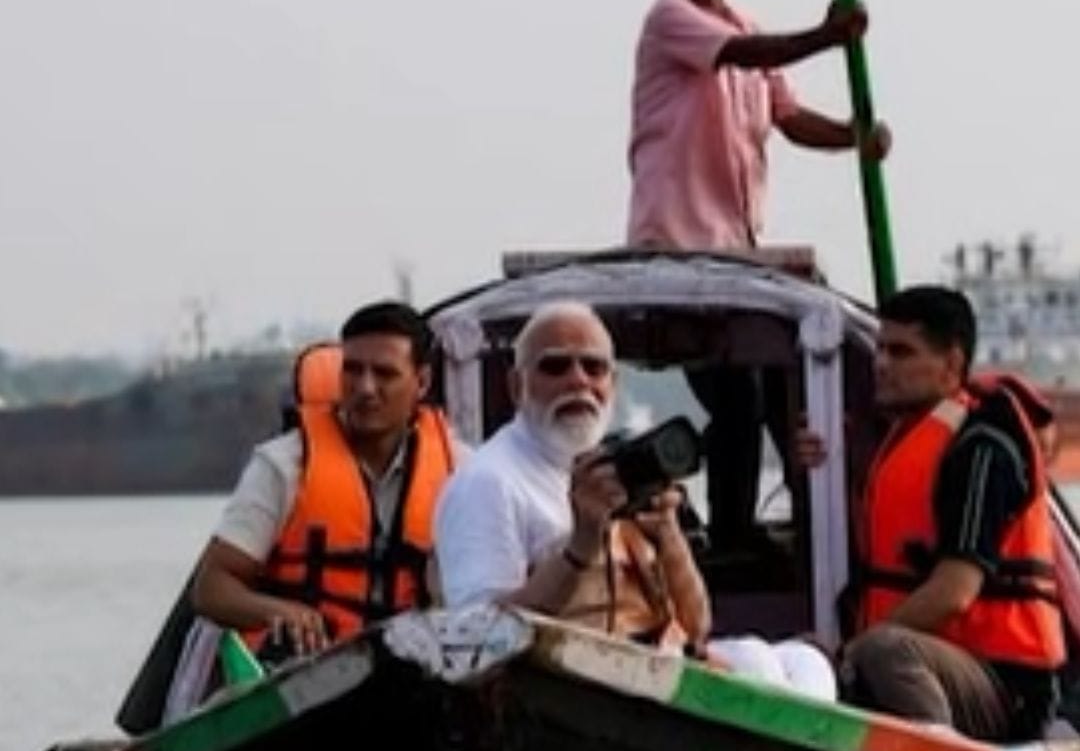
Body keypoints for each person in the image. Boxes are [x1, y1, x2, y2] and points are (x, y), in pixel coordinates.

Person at [625, 0, 892, 555]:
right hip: (678, 255)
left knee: (781, 395)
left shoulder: (742, 22)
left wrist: (854, 137)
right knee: (737, 395)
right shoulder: (671, 22)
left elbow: (788, 115)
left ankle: (817, 533)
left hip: (736, 258)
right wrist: (827, 37)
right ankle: (736, 539)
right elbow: (744, 55)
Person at [433, 299, 837, 700]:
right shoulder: (489, 482)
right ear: (516, 386)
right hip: (566, 688)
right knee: (761, 668)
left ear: (614, 384)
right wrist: (581, 545)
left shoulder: (620, 467)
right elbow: (477, 643)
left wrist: (670, 537)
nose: (578, 381)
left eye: (594, 368)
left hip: (653, 668)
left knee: (803, 663)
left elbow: (696, 626)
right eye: (555, 367)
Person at [842, 286, 1065, 743]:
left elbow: (955, 591)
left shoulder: (981, 447)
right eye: (880, 349)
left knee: (885, 649)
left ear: (952, 366)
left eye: (901, 352)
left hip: (1006, 685)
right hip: (941, 661)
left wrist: (857, 649)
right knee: (819, 650)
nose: (882, 364)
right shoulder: (906, 436)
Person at [191, 300, 458, 658]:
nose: (364, 388)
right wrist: (279, 612)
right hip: (301, 673)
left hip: (418, 671)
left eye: (384, 373)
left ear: (421, 382)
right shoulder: (283, 465)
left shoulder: (462, 473)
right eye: (352, 370)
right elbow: (212, 588)